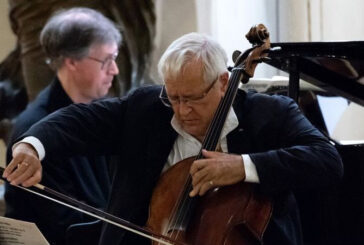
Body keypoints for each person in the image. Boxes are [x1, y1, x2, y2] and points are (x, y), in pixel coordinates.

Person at [3, 32, 343, 245]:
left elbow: (327, 160)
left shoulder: (270, 115)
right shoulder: (147, 108)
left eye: (193, 98)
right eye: (174, 98)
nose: (182, 111)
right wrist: (31, 147)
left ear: (223, 84)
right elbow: (78, 121)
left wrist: (243, 167)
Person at [4, 7, 121, 245]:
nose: (115, 70)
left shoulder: (106, 115)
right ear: (72, 62)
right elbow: (67, 226)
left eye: (115, 58)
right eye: (106, 60)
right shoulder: (34, 132)